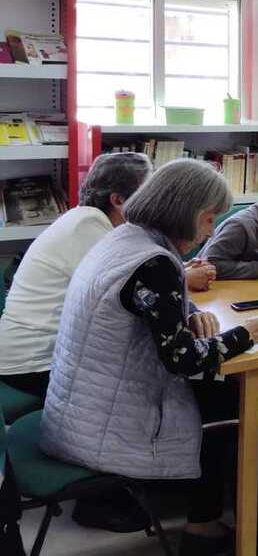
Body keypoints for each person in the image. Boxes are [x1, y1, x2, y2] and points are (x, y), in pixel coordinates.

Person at [38, 159, 258, 556]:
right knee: (234, 404)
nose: (210, 231)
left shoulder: (125, 237)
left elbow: (147, 306)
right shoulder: (155, 263)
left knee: (221, 393)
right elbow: (184, 360)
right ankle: (212, 528)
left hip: (78, 409)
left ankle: (211, 514)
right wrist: (248, 333)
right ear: (186, 213)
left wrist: (189, 311)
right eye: (209, 220)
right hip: (102, 426)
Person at [0, 153, 162, 534]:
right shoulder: (89, 227)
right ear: (119, 199)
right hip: (33, 359)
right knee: (137, 386)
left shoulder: (87, 221)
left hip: (32, 349)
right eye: (147, 191)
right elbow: (129, 290)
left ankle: (135, 479)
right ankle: (99, 498)